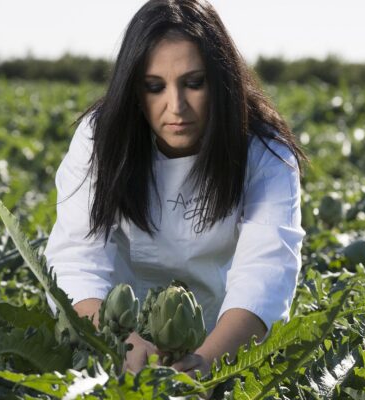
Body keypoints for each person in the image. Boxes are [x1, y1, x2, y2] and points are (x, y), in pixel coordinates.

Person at [44, 0, 307, 378]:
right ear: (134, 89)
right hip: (108, 331)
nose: (176, 106)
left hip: (223, 336)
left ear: (221, 82)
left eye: (194, 83)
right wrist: (122, 342)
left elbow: (266, 272)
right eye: (155, 87)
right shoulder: (100, 138)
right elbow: (76, 257)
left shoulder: (264, 152)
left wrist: (205, 363)